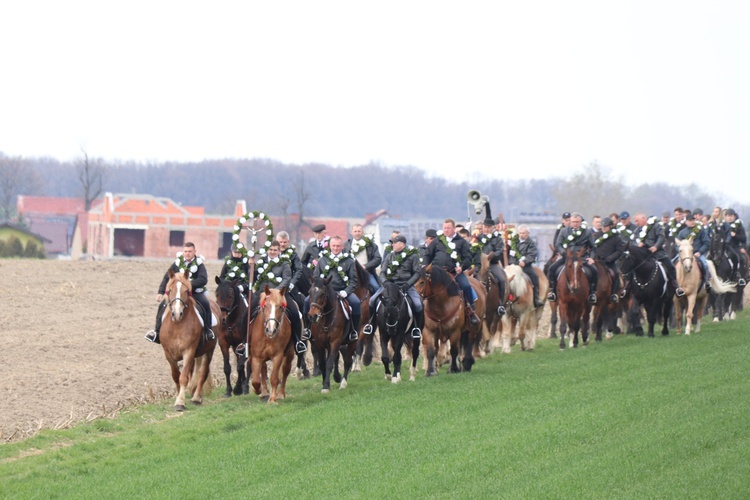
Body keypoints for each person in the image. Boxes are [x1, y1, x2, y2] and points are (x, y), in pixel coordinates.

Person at [241, 240, 305, 355]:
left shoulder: (284, 263)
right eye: (270, 249)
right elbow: (252, 276)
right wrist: (251, 266)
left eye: (275, 250)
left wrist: (275, 291)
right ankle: (244, 342)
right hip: (262, 295)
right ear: (267, 250)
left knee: (295, 313)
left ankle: (297, 342)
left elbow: (287, 278)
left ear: (279, 251)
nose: (272, 252)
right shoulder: (261, 262)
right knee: (246, 314)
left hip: (280, 295)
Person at [145, 242, 214, 343]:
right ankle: (157, 332)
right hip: (178, 293)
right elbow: (167, 277)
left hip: (195, 292)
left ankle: (208, 331)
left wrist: (187, 284)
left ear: (195, 252)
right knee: (162, 306)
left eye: (190, 251)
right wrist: (160, 292)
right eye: (185, 251)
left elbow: (203, 279)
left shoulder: (199, 264)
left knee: (206, 304)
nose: (187, 253)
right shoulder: (177, 263)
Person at [304, 236, 361, 341]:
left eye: (338, 246)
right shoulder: (322, 260)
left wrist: (346, 292)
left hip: (342, 291)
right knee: (307, 301)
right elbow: (315, 278)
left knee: (356, 303)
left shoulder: (348, 261)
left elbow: (354, 281)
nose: (335, 248)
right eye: (333, 246)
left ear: (342, 247)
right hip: (323, 293)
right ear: (330, 246)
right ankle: (307, 329)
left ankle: (354, 331)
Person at [423, 219, 480, 325]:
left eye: (448, 228)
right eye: (444, 228)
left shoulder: (461, 242)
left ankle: (471, 309)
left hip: (454, 272)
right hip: (437, 273)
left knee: (466, 285)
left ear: (454, 228)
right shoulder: (438, 240)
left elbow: (468, 257)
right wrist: (426, 266)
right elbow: (427, 254)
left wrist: (462, 268)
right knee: (423, 287)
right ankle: (422, 311)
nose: (446, 230)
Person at [368, 234, 424, 338]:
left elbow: (417, 273)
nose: (392, 244)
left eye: (394, 242)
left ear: (402, 244)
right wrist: (385, 282)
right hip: (389, 286)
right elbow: (383, 272)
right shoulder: (389, 255)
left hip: (406, 285)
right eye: (392, 243)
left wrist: (408, 284)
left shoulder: (413, 256)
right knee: (372, 300)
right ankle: (371, 324)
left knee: (418, 304)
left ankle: (416, 328)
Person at [546, 212, 598, 304]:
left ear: (581, 222)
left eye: (577, 222)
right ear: (570, 222)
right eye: (573, 222)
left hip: (582, 258)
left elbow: (593, 247)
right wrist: (564, 253)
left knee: (594, 270)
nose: (575, 224)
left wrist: (591, 258)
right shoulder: (564, 231)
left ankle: (592, 293)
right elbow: (558, 245)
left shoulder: (587, 232)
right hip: (567, 257)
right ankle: (552, 291)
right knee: (552, 269)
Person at [631, 213, 685, 297]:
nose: (636, 223)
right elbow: (633, 241)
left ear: (643, 218)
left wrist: (656, 246)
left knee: (670, 266)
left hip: (658, 253)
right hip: (643, 255)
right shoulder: (637, 230)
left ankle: (676, 286)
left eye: (637, 221)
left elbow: (661, 237)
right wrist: (637, 244)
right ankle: (627, 288)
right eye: (635, 221)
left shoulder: (656, 226)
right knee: (631, 266)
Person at [507, 224, 543, 307]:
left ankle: (536, 298)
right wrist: (514, 262)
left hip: (525, 267)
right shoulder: (514, 241)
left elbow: (532, 254)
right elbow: (511, 254)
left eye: (523, 233)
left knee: (535, 277)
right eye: (520, 233)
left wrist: (525, 262)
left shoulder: (531, 243)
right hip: (513, 266)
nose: (521, 235)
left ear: (528, 233)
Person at [478, 217, 508, 312]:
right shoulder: (478, 238)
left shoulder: (498, 239)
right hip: (479, 264)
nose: (486, 229)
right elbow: (472, 249)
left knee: (502, 280)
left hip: (493, 264)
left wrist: (491, 257)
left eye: (489, 227)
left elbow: (500, 251)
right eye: (485, 226)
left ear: (493, 228)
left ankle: (500, 304)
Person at [592, 218, 626, 302]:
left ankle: (614, 294)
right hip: (597, 261)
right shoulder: (596, 235)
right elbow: (592, 247)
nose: (603, 228)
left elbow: (619, 251)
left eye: (606, 226)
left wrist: (610, 258)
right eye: (603, 226)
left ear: (610, 226)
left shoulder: (616, 238)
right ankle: (591, 293)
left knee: (616, 273)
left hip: (609, 262)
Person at [676, 213, 711, 290]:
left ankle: (707, 282)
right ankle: (674, 283)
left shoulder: (700, 230)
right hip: (685, 255)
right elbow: (677, 245)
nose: (692, 222)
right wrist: (681, 253)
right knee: (672, 262)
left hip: (697, 253)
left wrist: (700, 252)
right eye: (690, 220)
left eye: (693, 220)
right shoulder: (682, 232)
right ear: (686, 222)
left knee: (705, 264)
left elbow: (707, 242)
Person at [345, 223, 382, 293]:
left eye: (359, 231)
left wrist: (366, 266)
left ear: (362, 232)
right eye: (355, 231)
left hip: (367, 273)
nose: (357, 233)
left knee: (376, 287)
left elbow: (378, 259)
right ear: (351, 233)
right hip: (350, 274)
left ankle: (376, 303)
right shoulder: (346, 245)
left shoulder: (371, 245)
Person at [723, 208, 747, 286]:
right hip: (723, 247)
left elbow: (744, 238)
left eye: (731, 216)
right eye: (728, 216)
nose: (730, 217)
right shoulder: (723, 226)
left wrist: (735, 235)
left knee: (741, 258)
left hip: (735, 247)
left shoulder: (739, 226)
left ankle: (739, 275)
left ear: (734, 217)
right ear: (725, 216)